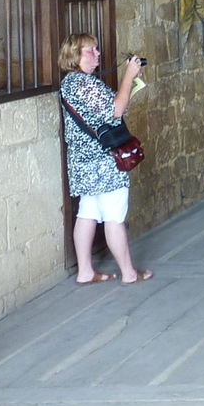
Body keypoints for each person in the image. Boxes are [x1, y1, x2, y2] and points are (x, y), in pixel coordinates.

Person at [60, 34, 152, 284]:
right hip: (103, 161)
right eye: (91, 49)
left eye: (97, 48)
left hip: (83, 163)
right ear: (75, 55)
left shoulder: (75, 83)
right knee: (114, 216)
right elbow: (115, 110)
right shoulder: (82, 83)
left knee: (87, 213)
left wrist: (132, 83)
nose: (98, 53)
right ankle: (130, 274)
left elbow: (115, 104)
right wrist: (127, 76)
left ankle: (86, 272)